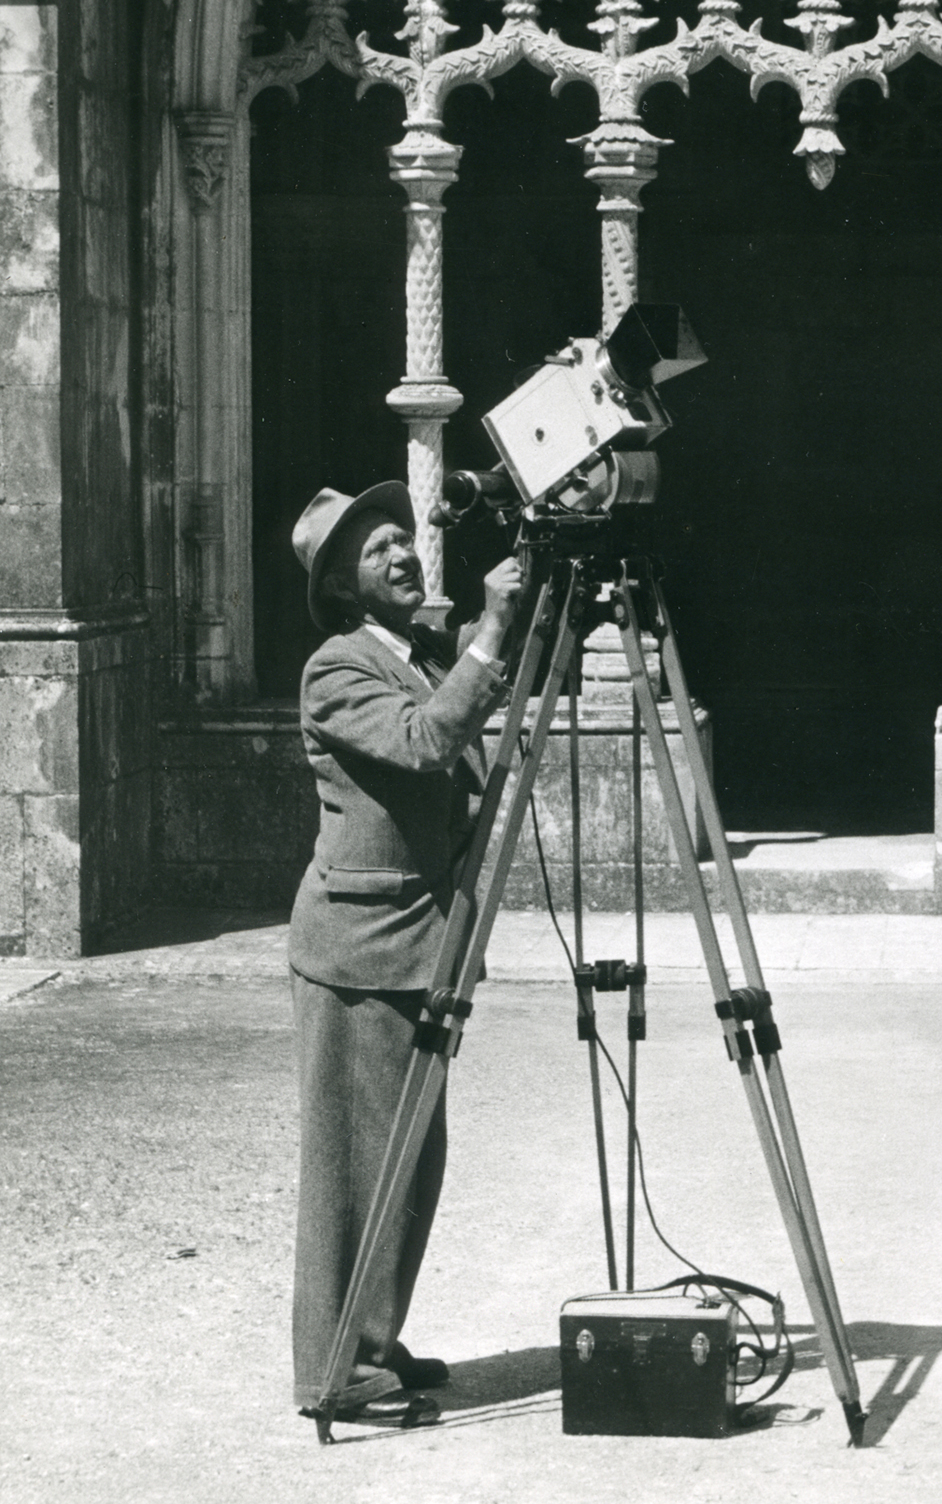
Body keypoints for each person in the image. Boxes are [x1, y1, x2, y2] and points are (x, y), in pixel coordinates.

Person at [287, 478, 523, 1421]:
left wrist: (501, 621)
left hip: (419, 944)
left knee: (411, 1153)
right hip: (359, 946)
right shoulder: (337, 667)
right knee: (353, 1162)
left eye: (401, 538)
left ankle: (372, 1340)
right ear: (344, 586)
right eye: (376, 547)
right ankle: (331, 1373)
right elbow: (427, 744)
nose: (401, 553)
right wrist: (493, 636)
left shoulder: (416, 655)